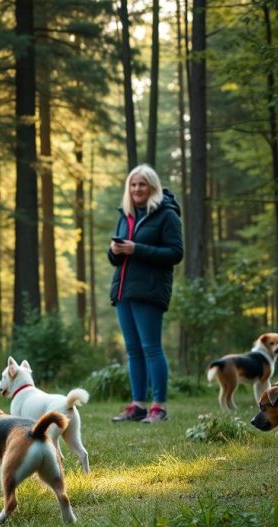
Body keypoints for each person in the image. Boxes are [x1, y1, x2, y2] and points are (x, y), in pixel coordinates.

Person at [107, 164, 184, 423]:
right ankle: (138, 405)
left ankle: (158, 407)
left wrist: (136, 249)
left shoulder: (167, 215)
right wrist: (115, 251)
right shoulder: (125, 214)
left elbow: (175, 253)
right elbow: (118, 255)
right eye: (133, 184)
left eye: (142, 184)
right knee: (133, 351)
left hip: (150, 291)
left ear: (152, 186)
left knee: (151, 348)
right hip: (124, 290)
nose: (137, 188)